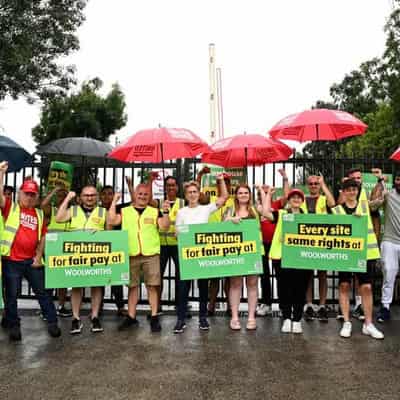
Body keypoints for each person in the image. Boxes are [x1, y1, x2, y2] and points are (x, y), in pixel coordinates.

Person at [0, 161, 61, 341]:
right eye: (26, 193)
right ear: (20, 193)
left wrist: (39, 255)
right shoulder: (11, 207)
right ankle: (14, 325)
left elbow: (42, 236)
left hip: (31, 261)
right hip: (12, 260)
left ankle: (52, 323)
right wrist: (1, 174)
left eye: (32, 194)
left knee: (43, 293)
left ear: (36, 196)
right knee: (11, 295)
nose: (29, 197)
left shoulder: (40, 214)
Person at [107, 184, 171, 333]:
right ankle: (131, 317)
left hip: (151, 254)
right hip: (132, 254)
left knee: (152, 287)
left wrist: (166, 212)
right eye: (140, 194)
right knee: (132, 287)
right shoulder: (125, 210)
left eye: (146, 195)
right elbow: (112, 220)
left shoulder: (155, 211)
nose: (143, 197)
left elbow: (165, 227)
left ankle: (154, 316)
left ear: (149, 197)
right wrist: (114, 202)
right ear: (135, 194)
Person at [173, 176, 228, 334]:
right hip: (187, 254)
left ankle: (203, 318)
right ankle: (180, 319)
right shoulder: (181, 212)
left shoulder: (205, 209)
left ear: (199, 193)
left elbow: (223, 198)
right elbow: (177, 233)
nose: (192, 194)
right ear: (185, 194)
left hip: (202, 254)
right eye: (189, 192)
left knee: (203, 287)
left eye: (195, 191)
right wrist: (184, 232)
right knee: (183, 288)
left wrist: (221, 181)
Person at [331, 179, 383, 339]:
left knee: (366, 287)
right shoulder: (337, 211)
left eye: (355, 189)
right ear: (344, 192)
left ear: (358, 191)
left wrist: (380, 183)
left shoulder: (365, 206)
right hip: (345, 254)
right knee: (344, 285)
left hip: (365, 253)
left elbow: (379, 200)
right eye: (349, 189)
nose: (352, 192)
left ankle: (368, 323)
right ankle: (347, 322)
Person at [56, 185, 107, 335]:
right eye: (86, 195)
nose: (89, 198)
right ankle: (76, 318)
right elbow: (58, 218)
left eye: (92, 195)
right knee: (77, 286)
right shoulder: (73, 210)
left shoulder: (102, 212)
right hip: (77, 255)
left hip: (96, 254)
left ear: (97, 196)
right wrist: (67, 198)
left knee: (97, 285)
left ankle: (95, 316)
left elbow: (110, 233)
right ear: (81, 197)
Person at [224, 184, 269, 330]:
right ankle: (235, 317)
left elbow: (268, 212)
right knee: (235, 284)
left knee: (252, 284)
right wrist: (230, 220)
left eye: (246, 193)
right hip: (236, 251)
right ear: (236, 195)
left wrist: (262, 192)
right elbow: (221, 226)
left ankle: (251, 317)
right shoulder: (230, 209)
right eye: (240, 193)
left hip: (254, 251)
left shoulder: (256, 209)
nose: (243, 195)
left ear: (250, 195)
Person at [266, 188, 312, 334]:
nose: (296, 200)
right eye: (293, 197)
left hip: (302, 258)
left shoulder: (309, 216)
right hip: (282, 257)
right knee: (284, 288)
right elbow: (265, 213)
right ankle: (286, 318)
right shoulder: (281, 214)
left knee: (300, 288)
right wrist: (267, 194)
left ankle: (297, 319)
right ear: (289, 200)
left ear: (302, 201)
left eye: (299, 197)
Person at [302, 175, 335, 323]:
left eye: (316, 183)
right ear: (307, 185)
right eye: (311, 184)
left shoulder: (323, 198)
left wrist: (324, 185)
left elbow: (333, 204)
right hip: (306, 241)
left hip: (322, 241)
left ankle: (322, 306)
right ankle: (309, 305)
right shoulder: (302, 198)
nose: (314, 185)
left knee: (322, 274)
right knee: (308, 275)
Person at [256, 169, 289, 317]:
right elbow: (263, 210)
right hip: (262, 243)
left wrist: (285, 179)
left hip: (276, 244)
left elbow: (287, 197)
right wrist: (264, 193)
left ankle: (283, 305)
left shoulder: (277, 204)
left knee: (280, 275)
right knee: (264, 274)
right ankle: (266, 303)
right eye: (263, 190)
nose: (265, 191)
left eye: (267, 189)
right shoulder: (257, 207)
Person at [371, 171, 400, 322]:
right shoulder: (388, 194)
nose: (399, 182)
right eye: (397, 179)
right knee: (389, 273)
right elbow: (373, 207)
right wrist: (380, 195)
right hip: (390, 241)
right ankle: (385, 307)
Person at [41, 186, 72, 317]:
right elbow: (43, 205)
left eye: (64, 195)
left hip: (65, 252)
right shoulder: (52, 211)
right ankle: (46, 309)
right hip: (51, 251)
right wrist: (53, 191)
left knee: (62, 282)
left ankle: (61, 306)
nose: (62, 198)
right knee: (49, 282)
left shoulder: (72, 212)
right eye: (59, 195)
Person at [158, 176, 185, 313]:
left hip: (178, 244)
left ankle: (180, 305)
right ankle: (157, 306)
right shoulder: (160, 203)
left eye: (173, 185)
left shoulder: (183, 203)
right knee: (158, 276)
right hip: (162, 244)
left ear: (177, 187)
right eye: (168, 185)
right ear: (164, 187)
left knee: (181, 276)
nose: (170, 187)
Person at [99, 185, 127, 316]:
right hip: (98, 248)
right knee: (99, 279)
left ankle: (120, 306)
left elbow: (134, 201)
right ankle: (98, 305)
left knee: (116, 279)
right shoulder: (96, 210)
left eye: (110, 193)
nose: (107, 196)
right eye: (104, 194)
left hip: (115, 248)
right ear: (100, 196)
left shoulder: (120, 208)